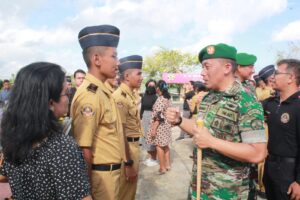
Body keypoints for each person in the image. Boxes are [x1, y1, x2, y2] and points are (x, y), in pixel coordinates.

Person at [166, 43, 267, 199]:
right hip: (200, 188)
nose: (202, 73)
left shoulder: (246, 101)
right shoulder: (209, 97)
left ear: (227, 68)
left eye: (207, 67)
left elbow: (257, 153)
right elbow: (201, 131)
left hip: (228, 193)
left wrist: (212, 142)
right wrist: (179, 120)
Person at [0, 62, 91, 199]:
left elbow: (4, 175)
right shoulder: (62, 148)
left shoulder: (13, 140)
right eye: (66, 93)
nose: (69, 98)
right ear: (50, 103)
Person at [71, 25, 132, 200]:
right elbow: (84, 148)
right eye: (114, 56)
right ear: (97, 59)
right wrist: (86, 190)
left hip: (111, 175)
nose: (118, 62)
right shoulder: (90, 96)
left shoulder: (102, 91)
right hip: (101, 180)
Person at [262, 59, 300, 200]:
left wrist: (299, 181)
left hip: (290, 171)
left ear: (290, 77)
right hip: (270, 165)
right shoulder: (271, 104)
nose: (272, 77)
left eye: (277, 73)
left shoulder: (298, 106)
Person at [112, 55, 143, 200]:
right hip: (127, 149)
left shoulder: (130, 95)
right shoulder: (120, 97)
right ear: (127, 76)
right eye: (139, 73)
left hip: (134, 146)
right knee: (125, 193)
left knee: (130, 191)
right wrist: (128, 162)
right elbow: (121, 132)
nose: (142, 77)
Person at [146, 80, 172, 174]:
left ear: (158, 88)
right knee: (166, 146)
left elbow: (159, 116)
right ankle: (168, 165)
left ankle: (162, 168)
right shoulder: (167, 98)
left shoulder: (160, 99)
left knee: (159, 146)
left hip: (160, 126)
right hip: (166, 126)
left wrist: (154, 129)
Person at [141, 79, 158, 167]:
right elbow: (142, 108)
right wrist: (140, 118)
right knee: (145, 138)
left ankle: (154, 158)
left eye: (153, 85)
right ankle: (150, 157)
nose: (151, 87)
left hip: (152, 118)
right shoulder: (144, 96)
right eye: (149, 85)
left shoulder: (156, 97)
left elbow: (157, 111)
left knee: (152, 138)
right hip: (144, 118)